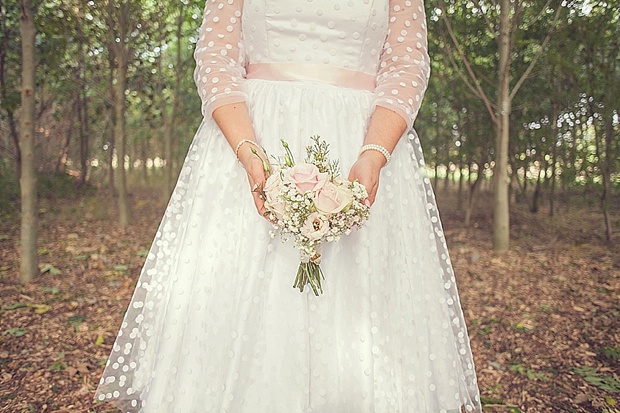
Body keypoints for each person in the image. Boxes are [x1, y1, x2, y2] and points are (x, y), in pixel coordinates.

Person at [95, 0, 481, 411]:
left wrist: (374, 152)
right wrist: (247, 150)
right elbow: (216, 57)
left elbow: (406, 66)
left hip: (361, 143)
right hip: (254, 136)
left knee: (355, 302)